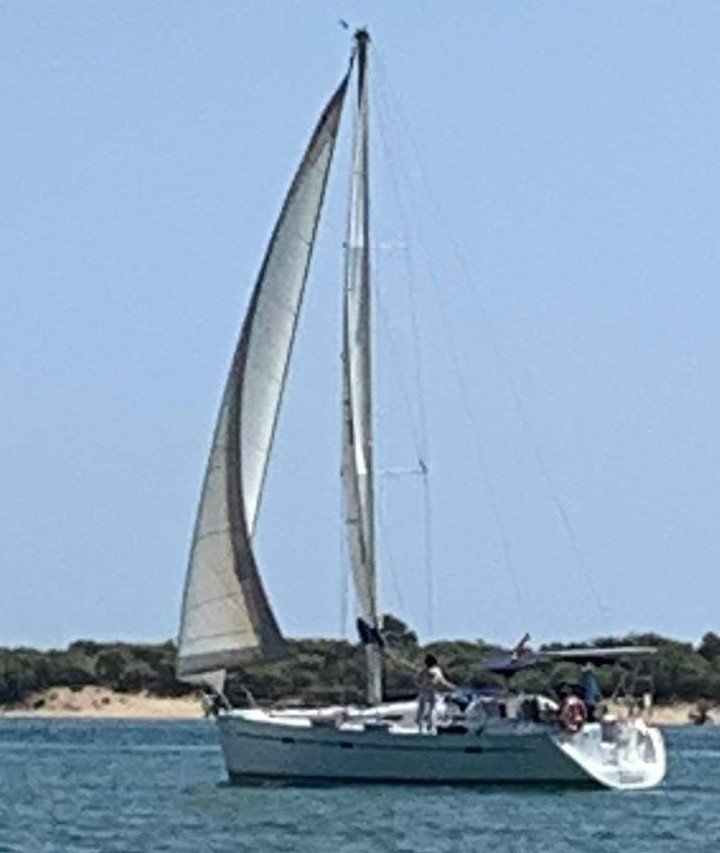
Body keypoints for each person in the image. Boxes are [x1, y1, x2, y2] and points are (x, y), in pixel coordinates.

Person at [416, 654, 456, 733]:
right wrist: (452, 687)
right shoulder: (436, 670)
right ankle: (430, 727)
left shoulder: (424, 671)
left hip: (423, 692)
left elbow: (417, 680)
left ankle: (420, 727)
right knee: (432, 709)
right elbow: (442, 682)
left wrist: (421, 686)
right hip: (431, 692)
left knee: (421, 709)